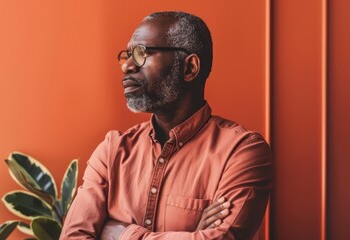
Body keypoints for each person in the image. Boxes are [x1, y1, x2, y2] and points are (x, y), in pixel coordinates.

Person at [60, 11, 273, 240]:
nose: (127, 67)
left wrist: (121, 234)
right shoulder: (112, 150)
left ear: (189, 67)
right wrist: (193, 234)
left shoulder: (241, 152)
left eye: (142, 53)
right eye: (128, 54)